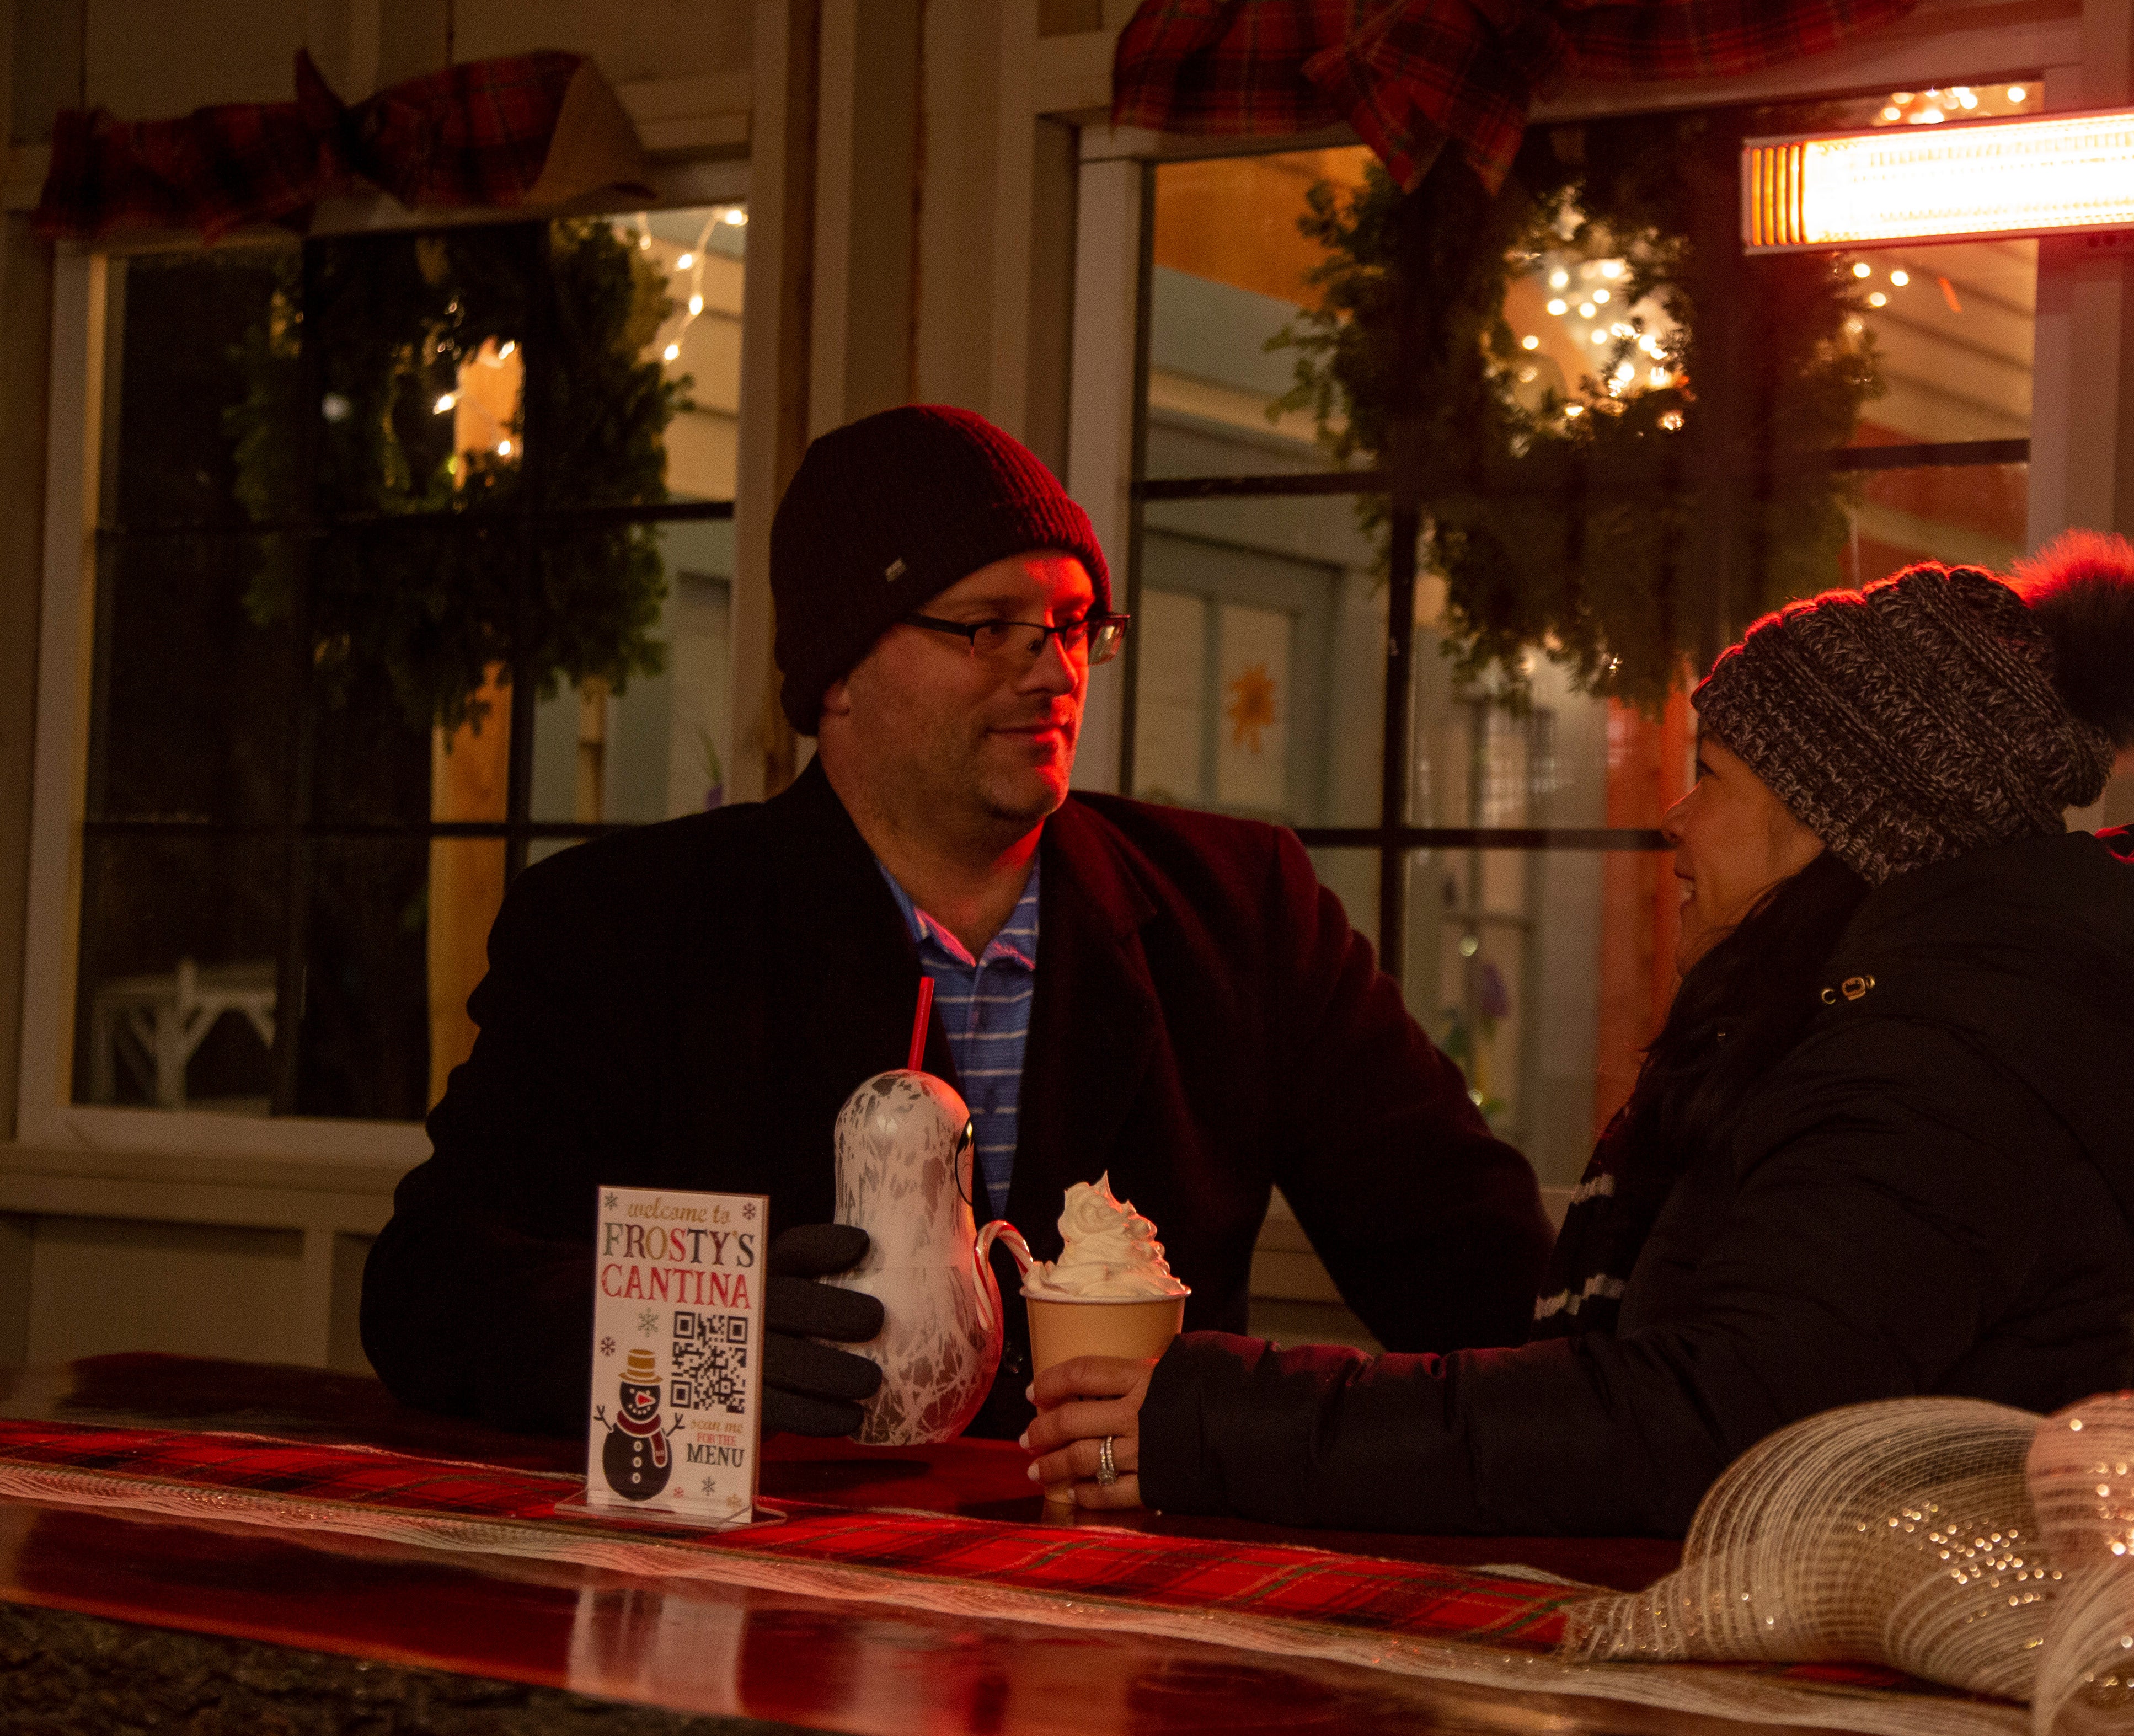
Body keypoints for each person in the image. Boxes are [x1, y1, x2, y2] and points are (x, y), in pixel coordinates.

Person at [1020, 537, 2134, 1536]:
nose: (1676, 816)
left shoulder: (1937, 1077)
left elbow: (1700, 1426)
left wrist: (1219, 1419)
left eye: (1713, 775)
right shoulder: (1885, 1038)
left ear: (1842, 820)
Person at [361, 405, 1551, 1438]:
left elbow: (1479, 1270)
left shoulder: (1242, 913)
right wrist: (696, 1338)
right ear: (837, 672)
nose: (1054, 671)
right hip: (770, 1599)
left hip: (1117, 1602)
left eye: (1076, 625)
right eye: (988, 628)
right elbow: (430, 1288)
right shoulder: (627, 927)